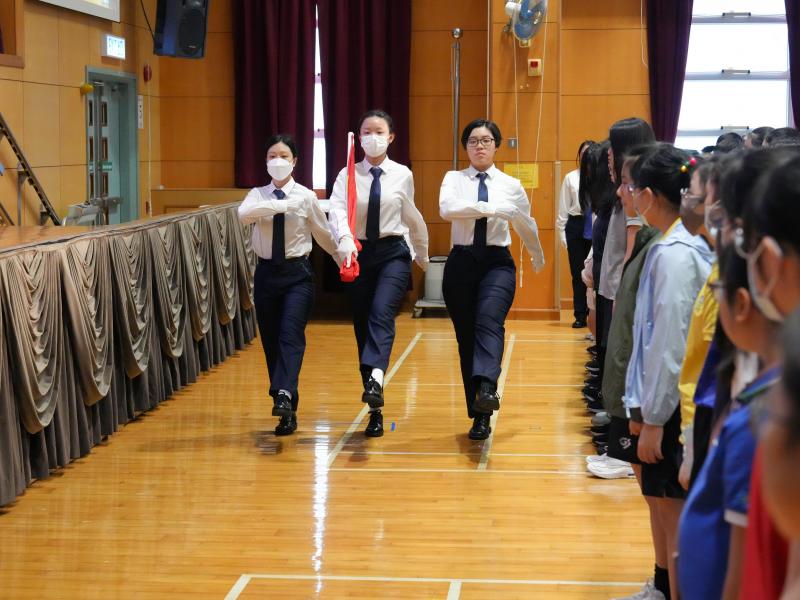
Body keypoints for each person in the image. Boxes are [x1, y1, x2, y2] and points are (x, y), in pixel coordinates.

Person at [622, 144, 714, 600]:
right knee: (662, 509)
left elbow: (670, 343)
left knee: (679, 534)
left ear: (652, 195)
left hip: (675, 406)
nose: (627, 193)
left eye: (632, 186)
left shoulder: (677, 252)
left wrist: (654, 417)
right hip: (661, 401)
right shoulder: (670, 242)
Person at [678, 245, 780, 600]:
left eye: (715, 294)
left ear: (741, 303)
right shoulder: (758, 398)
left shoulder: (756, 425)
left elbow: (738, 571)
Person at [439, 118, 545, 440]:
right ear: (466, 147)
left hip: (497, 263)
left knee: (489, 320)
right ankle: (479, 414)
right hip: (461, 262)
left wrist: (537, 255)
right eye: (473, 141)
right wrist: (487, 208)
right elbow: (447, 209)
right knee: (466, 339)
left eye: (486, 140)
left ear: (496, 146)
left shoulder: (510, 185)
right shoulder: (453, 178)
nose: (480, 146)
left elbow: (525, 222)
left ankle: (487, 386)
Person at [328, 109, 429, 438]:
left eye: (379, 130)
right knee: (363, 325)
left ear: (391, 137)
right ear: (358, 137)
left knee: (381, 313)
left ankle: (375, 376)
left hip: (393, 253)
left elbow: (411, 215)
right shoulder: (347, 175)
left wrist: (420, 253)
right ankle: (375, 400)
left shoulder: (402, 174)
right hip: (358, 252)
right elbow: (338, 211)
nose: (372, 136)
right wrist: (344, 239)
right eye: (366, 131)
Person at [238, 134, 340, 436]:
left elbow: (321, 232)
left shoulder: (306, 196)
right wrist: (279, 207)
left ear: (295, 161)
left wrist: (341, 257)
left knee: (290, 334)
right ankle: (286, 406)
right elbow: (244, 216)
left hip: (298, 274)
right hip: (267, 274)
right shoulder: (257, 194)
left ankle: (282, 391)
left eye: (283, 156)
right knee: (271, 341)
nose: (277, 161)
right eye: (272, 156)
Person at [556, 140, 594, 328]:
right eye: (583, 154)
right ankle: (580, 315)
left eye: (590, 153)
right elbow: (563, 210)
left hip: (595, 225)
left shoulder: (601, 177)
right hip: (576, 226)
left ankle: (594, 313)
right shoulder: (571, 177)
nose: (586, 158)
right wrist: (564, 237)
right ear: (579, 156)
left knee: (595, 271)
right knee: (577, 273)